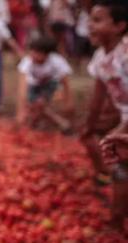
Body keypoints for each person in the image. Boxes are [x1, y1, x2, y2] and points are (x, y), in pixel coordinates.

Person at [84, 0, 128, 229]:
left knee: (121, 164)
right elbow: (98, 97)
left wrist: (120, 128)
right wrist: (89, 126)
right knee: (121, 166)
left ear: (120, 26)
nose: (90, 25)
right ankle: (117, 217)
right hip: (124, 118)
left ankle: (117, 218)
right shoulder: (101, 57)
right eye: (90, 19)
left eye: (98, 20)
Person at [16, 35, 73, 131]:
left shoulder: (57, 61)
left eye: (36, 52)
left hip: (50, 83)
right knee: (32, 106)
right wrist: (20, 111)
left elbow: (66, 83)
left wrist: (68, 102)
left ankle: (58, 123)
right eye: (32, 51)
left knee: (39, 104)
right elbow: (22, 88)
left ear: (46, 54)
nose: (32, 54)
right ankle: (61, 123)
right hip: (34, 84)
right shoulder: (27, 61)